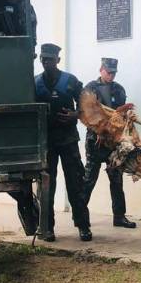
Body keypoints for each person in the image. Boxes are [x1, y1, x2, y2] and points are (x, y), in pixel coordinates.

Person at [34, 43, 92, 242]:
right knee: (46, 185)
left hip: (68, 140)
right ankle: (47, 228)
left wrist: (75, 115)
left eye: (49, 59)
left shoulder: (71, 81)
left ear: (58, 60)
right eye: (43, 58)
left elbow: (88, 108)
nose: (45, 62)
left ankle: (83, 225)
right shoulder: (34, 83)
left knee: (75, 182)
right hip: (46, 142)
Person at [82, 58, 137, 229]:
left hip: (113, 143)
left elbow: (119, 117)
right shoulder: (91, 88)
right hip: (96, 142)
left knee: (117, 179)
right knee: (89, 179)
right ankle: (81, 218)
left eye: (113, 72)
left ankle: (119, 217)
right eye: (108, 72)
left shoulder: (119, 89)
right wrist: (100, 130)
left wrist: (125, 116)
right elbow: (87, 114)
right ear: (101, 69)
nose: (111, 75)